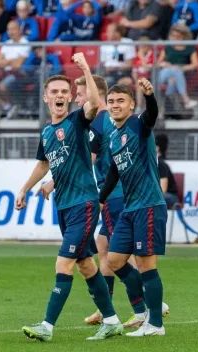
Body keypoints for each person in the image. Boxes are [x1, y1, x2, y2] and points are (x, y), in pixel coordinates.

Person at [36, 74, 170, 327]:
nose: (76, 98)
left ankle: (143, 305)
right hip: (118, 195)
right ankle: (121, 308)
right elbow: (111, 166)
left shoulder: (100, 121)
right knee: (109, 251)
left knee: (125, 255)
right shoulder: (112, 124)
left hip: (124, 198)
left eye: (80, 94)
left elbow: (90, 156)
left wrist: (56, 181)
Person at [15, 53, 123, 342]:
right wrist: (25, 188)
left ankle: (46, 327)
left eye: (65, 91)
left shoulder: (76, 121)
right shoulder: (48, 132)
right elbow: (43, 163)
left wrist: (86, 68)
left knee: (63, 263)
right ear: (46, 99)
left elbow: (95, 105)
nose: (61, 95)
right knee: (86, 265)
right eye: (55, 92)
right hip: (64, 205)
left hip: (84, 203)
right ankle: (112, 321)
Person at [99, 79, 167, 336]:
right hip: (130, 208)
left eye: (120, 101)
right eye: (111, 102)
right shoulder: (114, 137)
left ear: (131, 105)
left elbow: (152, 115)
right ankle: (153, 305)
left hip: (149, 205)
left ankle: (156, 324)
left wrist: (149, 96)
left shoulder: (139, 124)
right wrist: (101, 198)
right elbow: (114, 172)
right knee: (115, 260)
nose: (115, 105)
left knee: (146, 264)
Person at [158, 24, 198, 109]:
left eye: (178, 36)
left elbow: (195, 64)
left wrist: (181, 68)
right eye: (173, 36)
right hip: (164, 74)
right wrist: (165, 64)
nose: (175, 38)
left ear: (184, 36)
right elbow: (159, 62)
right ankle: (186, 100)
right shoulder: (168, 47)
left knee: (172, 79)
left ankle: (167, 105)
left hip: (180, 74)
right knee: (173, 71)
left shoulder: (190, 47)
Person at [155, 134, 179, 208]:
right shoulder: (154, 162)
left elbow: (163, 189)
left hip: (170, 196)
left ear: (157, 148)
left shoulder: (161, 164)